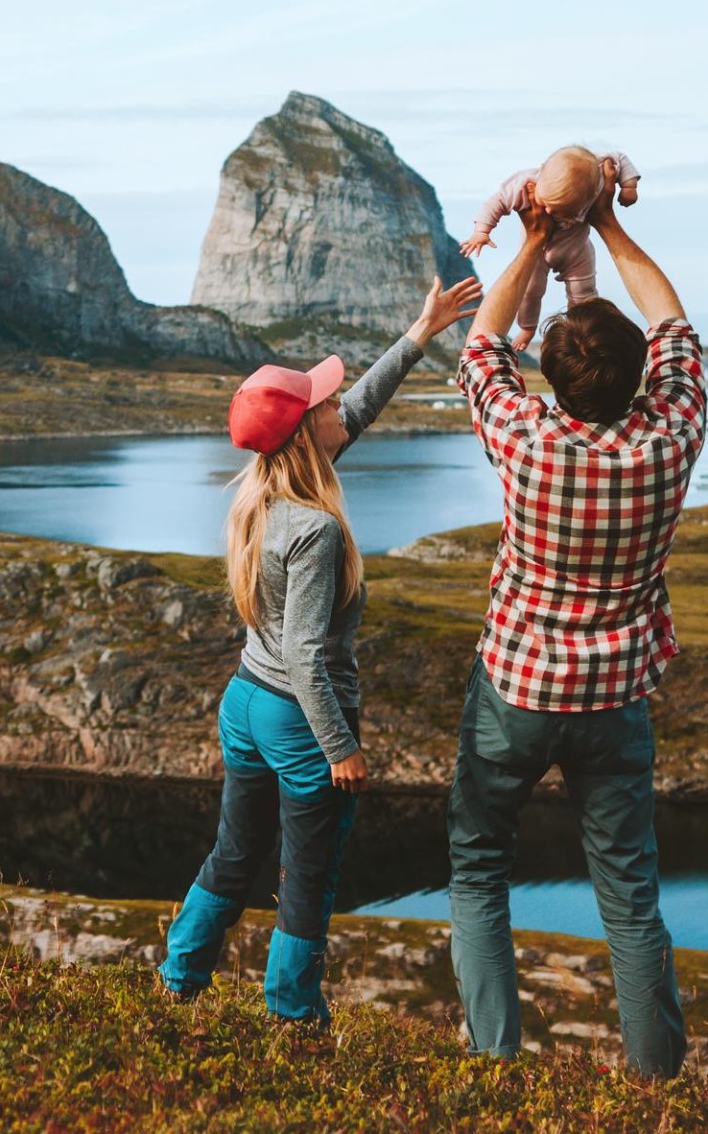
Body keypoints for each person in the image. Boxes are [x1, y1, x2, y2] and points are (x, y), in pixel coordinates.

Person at [158, 275, 484, 1026]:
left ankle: (179, 979)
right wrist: (341, 747)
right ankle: (293, 1014)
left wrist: (419, 333)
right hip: (299, 718)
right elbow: (307, 654)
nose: (339, 405)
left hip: (244, 702)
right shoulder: (317, 528)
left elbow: (355, 411)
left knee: (234, 854)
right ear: (305, 432)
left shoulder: (264, 492)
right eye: (324, 402)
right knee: (307, 876)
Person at [448, 159, 704, 1078]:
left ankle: (494, 1065)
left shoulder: (524, 435)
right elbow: (673, 324)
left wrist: (528, 239)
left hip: (514, 684)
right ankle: (653, 1086)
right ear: (638, 377)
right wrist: (610, 228)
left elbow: (481, 346)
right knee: (629, 897)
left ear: (550, 376)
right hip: (614, 695)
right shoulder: (666, 438)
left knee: (477, 868)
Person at [460, 146, 641, 351]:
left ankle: (579, 329)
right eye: (545, 202)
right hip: (538, 254)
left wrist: (629, 185)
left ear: (590, 193)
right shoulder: (524, 182)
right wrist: (482, 231)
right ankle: (527, 327)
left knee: (583, 292)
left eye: (560, 210)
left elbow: (620, 158)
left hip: (577, 250)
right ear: (541, 172)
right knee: (530, 292)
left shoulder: (595, 176)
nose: (547, 211)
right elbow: (497, 202)